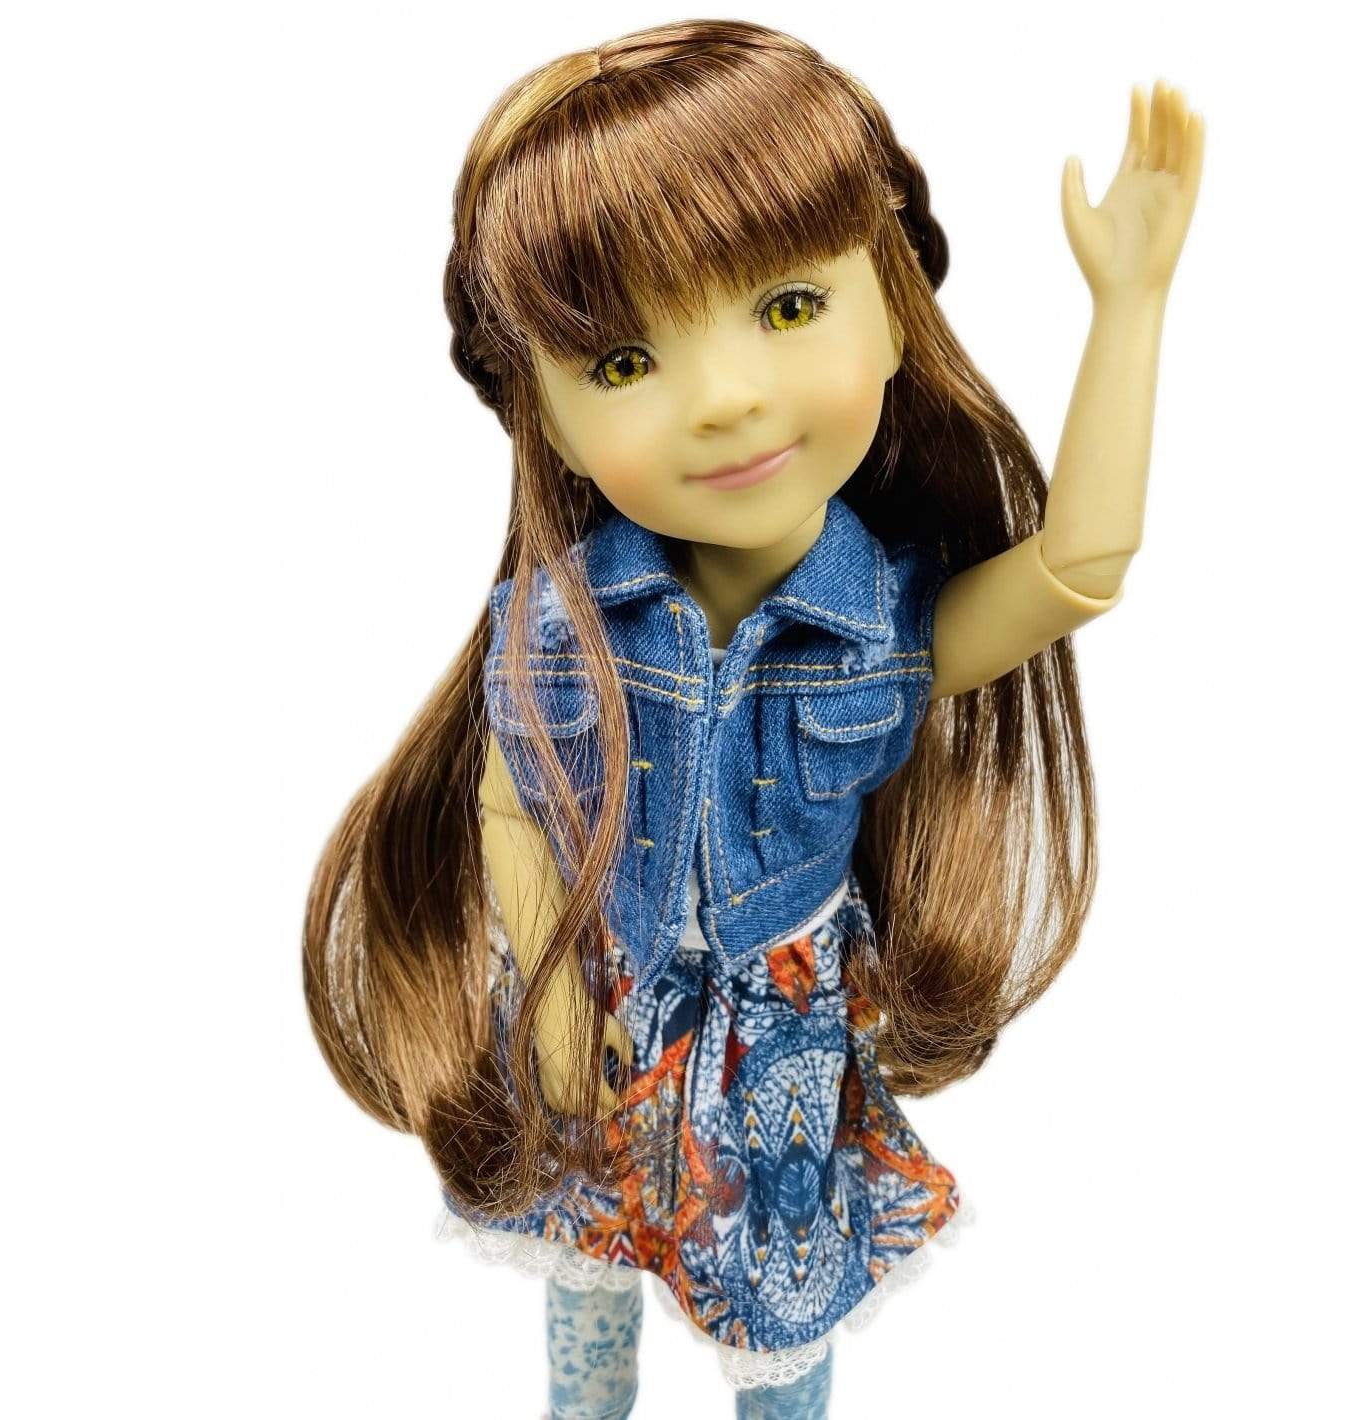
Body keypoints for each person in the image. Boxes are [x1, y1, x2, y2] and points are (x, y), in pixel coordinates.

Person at [303, 19, 1203, 1417]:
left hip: (779, 1047)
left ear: (892, 305)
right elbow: (513, 804)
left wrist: (1130, 302)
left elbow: (1079, 567)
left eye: (787, 308)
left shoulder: (882, 631)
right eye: (623, 363)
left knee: (779, 1326)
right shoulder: (563, 622)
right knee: (584, 1292)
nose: (726, 400)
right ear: (542, 411)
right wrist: (554, 1016)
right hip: (592, 1005)